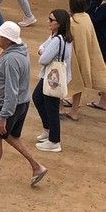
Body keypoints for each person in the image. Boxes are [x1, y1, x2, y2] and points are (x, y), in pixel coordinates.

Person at [0, 22, 47, 187]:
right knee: (9, 135)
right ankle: (36, 166)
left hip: (9, 103)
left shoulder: (11, 59)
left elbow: (11, 90)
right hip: (21, 102)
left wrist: (3, 116)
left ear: (8, 39)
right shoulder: (19, 50)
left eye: (0, 35)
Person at [66, 0, 106, 119]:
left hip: (72, 57)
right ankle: (74, 110)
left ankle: (62, 108)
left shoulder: (72, 22)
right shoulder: (86, 17)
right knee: (78, 84)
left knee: (65, 82)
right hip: (84, 56)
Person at [33, 10, 70, 153]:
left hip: (52, 76)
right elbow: (42, 47)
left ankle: (54, 140)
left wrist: (43, 51)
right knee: (39, 98)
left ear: (59, 23)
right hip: (50, 75)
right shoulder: (57, 38)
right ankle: (48, 131)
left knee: (51, 106)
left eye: (51, 20)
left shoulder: (57, 40)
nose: (48, 22)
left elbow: (43, 58)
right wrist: (43, 50)